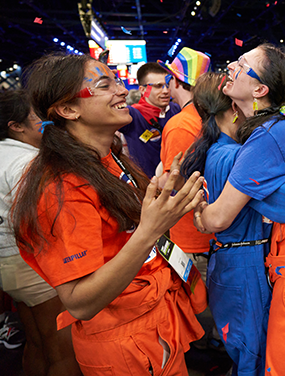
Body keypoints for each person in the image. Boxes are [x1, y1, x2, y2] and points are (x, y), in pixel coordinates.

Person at [11, 54, 206, 375]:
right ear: (68, 110)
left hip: (153, 323)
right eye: (105, 85)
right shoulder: (62, 187)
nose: (121, 91)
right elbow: (79, 302)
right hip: (125, 345)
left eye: (116, 81)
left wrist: (156, 206)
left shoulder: (107, 158)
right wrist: (150, 230)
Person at [194, 44, 285, 376]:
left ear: (260, 89)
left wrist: (194, 209)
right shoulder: (280, 125)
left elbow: (218, 217)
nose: (231, 66)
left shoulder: (262, 138)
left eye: (242, 63)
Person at [0, 90, 80, 375]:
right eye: (37, 114)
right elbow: (49, 222)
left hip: (5, 263)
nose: (46, 119)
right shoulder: (27, 164)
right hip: (29, 265)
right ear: (16, 126)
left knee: (37, 343)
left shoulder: (3, 153)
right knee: (64, 351)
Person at [159, 48, 212, 278]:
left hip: (191, 236)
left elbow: (177, 181)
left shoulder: (180, 123)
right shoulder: (209, 116)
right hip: (210, 230)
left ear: (175, 82)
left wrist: (158, 176)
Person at [120, 62, 181, 177]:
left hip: (176, 182)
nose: (165, 91)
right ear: (143, 90)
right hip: (146, 187)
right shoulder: (132, 115)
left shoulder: (176, 109)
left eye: (167, 85)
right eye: (158, 86)